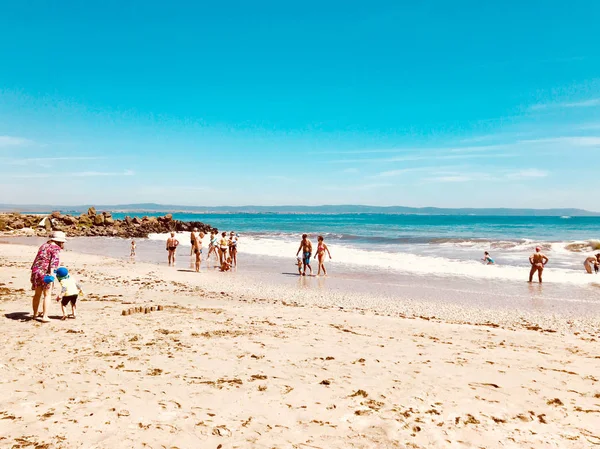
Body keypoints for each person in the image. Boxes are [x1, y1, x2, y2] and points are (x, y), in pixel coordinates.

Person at [30, 231, 65, 322]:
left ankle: (34, 314)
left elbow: (36, 259)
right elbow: (54, 263)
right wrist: (52, 276)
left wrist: (33, 272)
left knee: (37, 294)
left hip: (36, 271)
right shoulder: (56, 248)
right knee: (47, 294)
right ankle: (45, 316)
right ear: (59, 241)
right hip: (45, 273)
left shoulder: (43, 246)